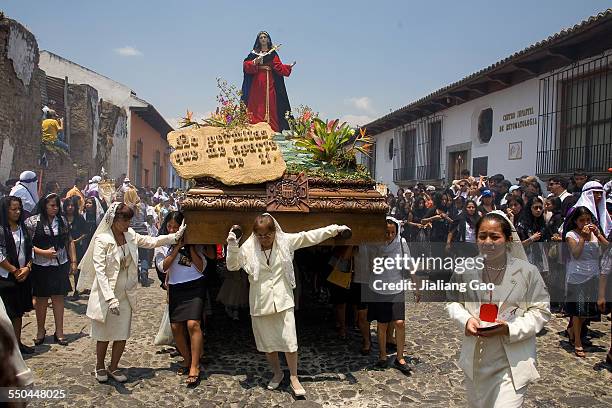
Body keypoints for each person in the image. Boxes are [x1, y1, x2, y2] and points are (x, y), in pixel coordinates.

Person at [225, 214, 349, 397]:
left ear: (274, 232)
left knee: (290, 342)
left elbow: (309, 236)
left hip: (283, 300)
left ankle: (293, 376)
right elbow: (232, 266)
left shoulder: (285, 242)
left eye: (267, 235)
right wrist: (232, 244)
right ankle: (277, 373)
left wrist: (335, 229)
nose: (264, 239)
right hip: (260, 302)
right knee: (268, 344)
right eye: (260, 235)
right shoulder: (248, 248)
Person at [446, 211, 551, 407]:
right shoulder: (464, 269)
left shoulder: (527, 272)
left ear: (508, 239)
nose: (488, 242)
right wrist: (466, 320)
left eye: (495, 237)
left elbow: (541, 311)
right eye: (482, 236)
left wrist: (510, 328)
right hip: (477, 360)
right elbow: (453, 302)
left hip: (511, 362)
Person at [76, 202, 186, 383]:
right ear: (114, 219)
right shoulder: (102, 240)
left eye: (129, 220)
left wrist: (174, 237)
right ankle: (100, 366)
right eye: (125, 220)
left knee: (121, 332)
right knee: (103, 334)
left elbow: (152, 241)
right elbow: (101, 272)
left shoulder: (130, 235)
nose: (128, 224)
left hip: (126, 294)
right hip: (107, 294)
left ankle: (113, 366)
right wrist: (110, 298)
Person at [155, 211, 213, 387]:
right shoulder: (163, 244)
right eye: (170, 226)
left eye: (176, 226)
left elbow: (202, 267)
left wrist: (189, 246)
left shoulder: (193, 241)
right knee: (176, 326)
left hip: (195, 285)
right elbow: (163, 267)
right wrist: (175, 249)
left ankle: (195, 366)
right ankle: (187, 359)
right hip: (176, 286)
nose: (172, 229)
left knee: (193, 324)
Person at [25, 193, 77, 347]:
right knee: (41, 299)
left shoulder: (62, 222)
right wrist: (42, 252)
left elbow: (69, 241)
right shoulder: (32, 222)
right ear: (44, 206)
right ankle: (40, 331)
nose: (55, 208)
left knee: (58, 297)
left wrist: (73, 261)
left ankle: (59, 332)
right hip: (40, 265)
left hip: (59, 264)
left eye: (56, 206)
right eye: (52, 206)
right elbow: (26, 244)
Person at [367, 217, 413, 376]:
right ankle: (382, 355)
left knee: (399, 322)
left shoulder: (401, 243)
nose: (390, 235)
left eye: (393, 232)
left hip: (396, 287)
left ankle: (400, 357)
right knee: (382, 324)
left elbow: (409, 263)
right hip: (379, 288)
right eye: (387, 232)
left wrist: (416, 286)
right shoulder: (375, 244)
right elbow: (370, 265)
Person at [563, 206, 609, 357]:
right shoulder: (571, 235)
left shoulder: (595, 234)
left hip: (593, 275)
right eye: (582, 220)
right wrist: (582, 238)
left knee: (588, 311)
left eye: (588, 220)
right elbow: (575, 254)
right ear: (576, 221)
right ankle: (577, 342)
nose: (585, 223)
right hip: (577, 277)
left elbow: (608, 249)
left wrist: (598, 235)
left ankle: (572, 331)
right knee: (578, 311)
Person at [241, 31, 295, 132]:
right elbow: (245, 65)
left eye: (265, 37)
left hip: (269, 80)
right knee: (256, 102)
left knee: (270, 101)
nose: (263, 39)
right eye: (261, 37)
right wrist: (254, 62)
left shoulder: (273, 53)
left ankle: (272, 127)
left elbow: (278, 67)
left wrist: (288, 67)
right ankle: (254, 124)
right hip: (256, 82)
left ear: (268, 39)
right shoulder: (254, 53)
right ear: (258, 40)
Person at [0, 197, 34, 354]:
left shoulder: (22, 228)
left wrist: (27, 267)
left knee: (18, 312)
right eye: (13, 209)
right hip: (6, 276)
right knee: (7, 313)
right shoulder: (1, 229)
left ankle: (17, 344)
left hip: (22, 275)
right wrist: (14, 270)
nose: (17, 212)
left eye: (19, 209)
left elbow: (29, 249)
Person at [63, 197, 88, 300]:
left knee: (76, 270)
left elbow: (85, 232)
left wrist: (76, 240)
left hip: (77, 247)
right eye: (68, 205)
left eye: (72, 205)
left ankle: (76, 291)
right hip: (64, 248)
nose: (70, 208)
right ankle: (64, 290)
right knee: (64, 269)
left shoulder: (80, 218)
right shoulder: (61, 218)